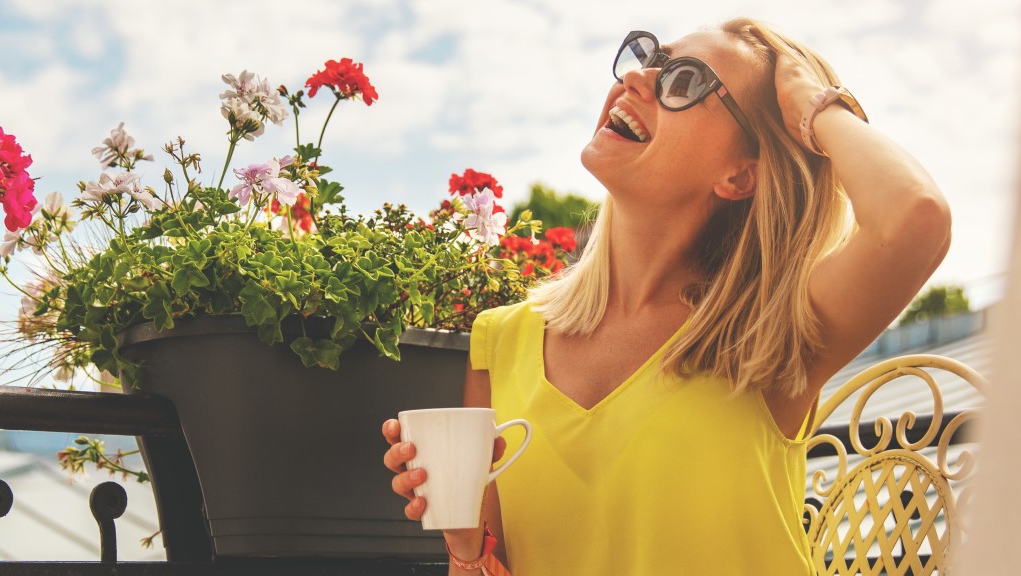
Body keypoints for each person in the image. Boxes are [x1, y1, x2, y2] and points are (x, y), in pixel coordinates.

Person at [382, 18, 952, 575]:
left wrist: (815, 103)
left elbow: (914, 219)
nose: (637, 80)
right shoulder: (501, 340)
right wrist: (463, 543)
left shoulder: (772, 335)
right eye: (648, 58)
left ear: (739, 175)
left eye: (684, 81)